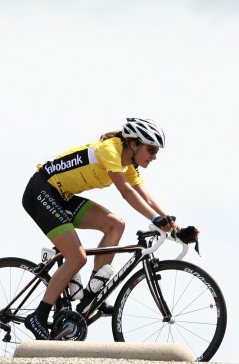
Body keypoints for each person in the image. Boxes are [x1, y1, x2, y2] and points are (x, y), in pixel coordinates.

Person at [21, 117, 183, 340]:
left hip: (62, 197)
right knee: (77, 257)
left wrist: (173, 227)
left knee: (115, 225)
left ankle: (91, 295)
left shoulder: (129, 164)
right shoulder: (109, 150)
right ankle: (38, 316)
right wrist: (155, 219)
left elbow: (146, 196)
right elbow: (126, 192)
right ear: (134, 144)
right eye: (151, 149)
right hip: (41, 192)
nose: (154, 157)